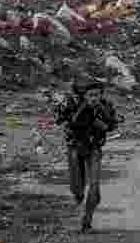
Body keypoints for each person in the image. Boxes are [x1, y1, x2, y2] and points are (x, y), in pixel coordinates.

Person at [53, 78, 123, 232]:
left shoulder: (105, 107)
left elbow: (113, 123)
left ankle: (87, 220)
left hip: (94, 149)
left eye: (96, 95)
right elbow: (60, 119)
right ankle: (78, 197)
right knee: (77, 189)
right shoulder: (73, 105)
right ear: (84, 96)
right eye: (90, 95)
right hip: (75, 148)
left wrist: (105, 124)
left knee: (94, 187)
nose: (94, 98)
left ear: (101, 95)